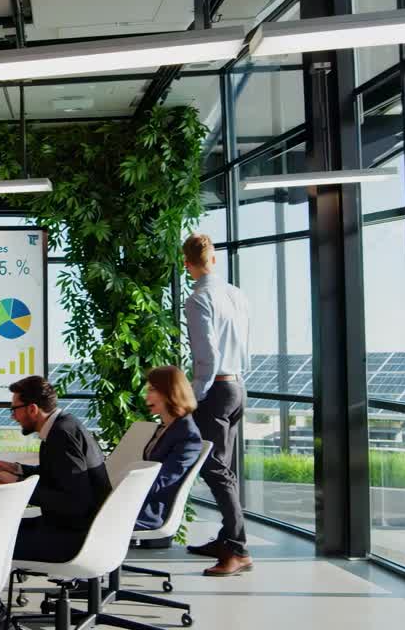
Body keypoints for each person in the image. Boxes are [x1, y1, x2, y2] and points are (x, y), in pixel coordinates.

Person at [0, 375, 110, 630]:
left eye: (14, 409)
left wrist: (18, 486)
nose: (12, 416)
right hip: (76, 529)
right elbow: (61, 477)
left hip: (69, 537)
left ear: (32, 409)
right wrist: (19, 469)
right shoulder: (67, 424)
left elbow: (75, 501)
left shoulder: (60, 435)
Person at [182, 233, 254, 576]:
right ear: (214, 259)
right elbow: (246, 344)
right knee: (225, 467)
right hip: (238, 386)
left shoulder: (198, 299)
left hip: (216, 391)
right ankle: (228, 538)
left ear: (187, 264)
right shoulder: (236, 295)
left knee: (214, 469)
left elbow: (206, 357)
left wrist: (194, 396)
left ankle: (238, 549)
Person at [135, 366, 204, 531]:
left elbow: (162, 481)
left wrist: (119, 492)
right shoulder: (165, 427)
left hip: (149, 512)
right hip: (136, 503)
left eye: (152, 389)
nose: (146, 396)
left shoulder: (188, 436)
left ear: (170, 392)